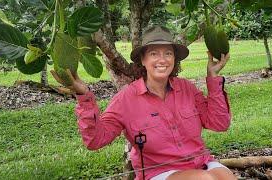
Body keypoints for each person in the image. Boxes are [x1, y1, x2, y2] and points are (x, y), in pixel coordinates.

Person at [51, 26, 236, 180]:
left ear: (174, 60)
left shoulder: (186, 88)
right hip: (159, 172)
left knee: (226, 178)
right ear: (143, 60)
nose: (162, 60)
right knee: (204, 179)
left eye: (168, 54)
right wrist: (84, 96)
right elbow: (95, 140)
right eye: (154, 53)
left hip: (200, 162)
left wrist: (213, 77)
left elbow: (219, 123)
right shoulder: (126, 99)